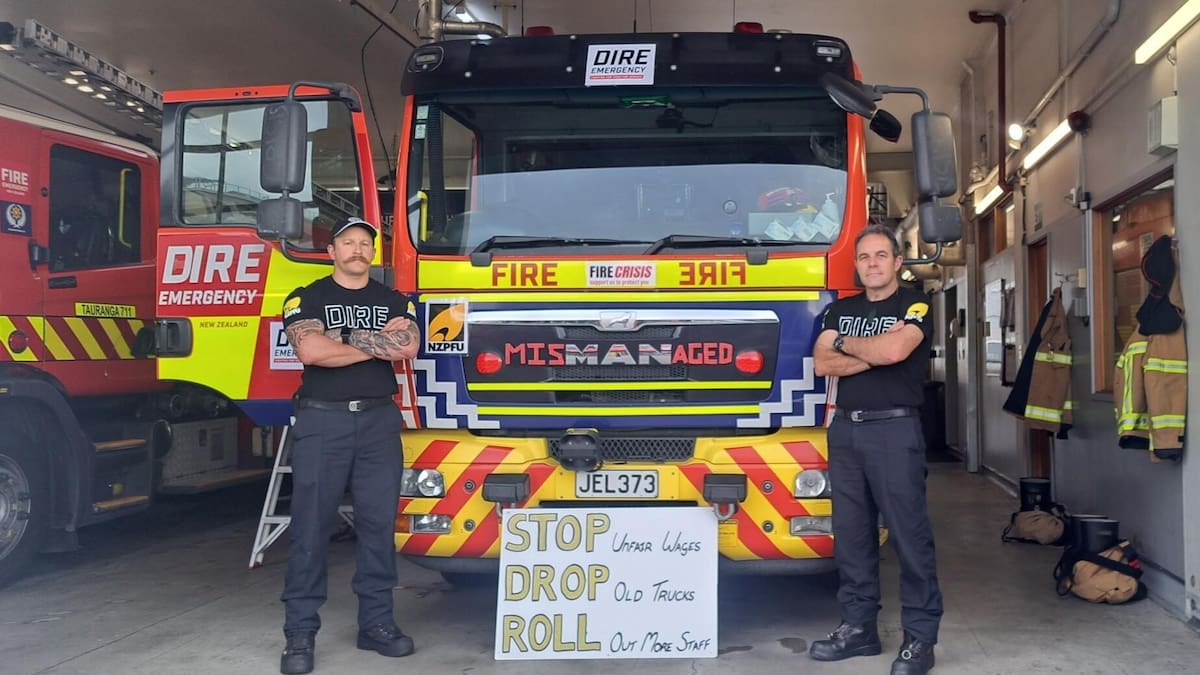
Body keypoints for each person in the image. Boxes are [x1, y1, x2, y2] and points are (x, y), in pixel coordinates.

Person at [278, 216, 420, 675]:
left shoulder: (394, 299)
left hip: (379, 420)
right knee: (311, 526)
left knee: (378, 525)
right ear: (332, 252)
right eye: (348, 242)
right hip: (324, 420)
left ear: (373, 253)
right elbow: (311, 351)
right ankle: (300, 632)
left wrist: (342, 337)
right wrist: (377, 342)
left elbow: (408, 346)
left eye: (365, 243)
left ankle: (376, 624)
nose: (358, 249)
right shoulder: (306, 297)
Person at [810, 223, 942, 675]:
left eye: (881, 255)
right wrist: (875, 351)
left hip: (894, 431)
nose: (872, 264)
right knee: (851, 537)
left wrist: (850, 347)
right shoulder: (839, 309)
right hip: (845, 431)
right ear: (857, 265)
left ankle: (920, 638)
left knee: (909, 536)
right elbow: (822, 362)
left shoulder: (916, 304)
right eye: (864, 257)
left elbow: (897, 352)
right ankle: (859, 628)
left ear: (898, 262)